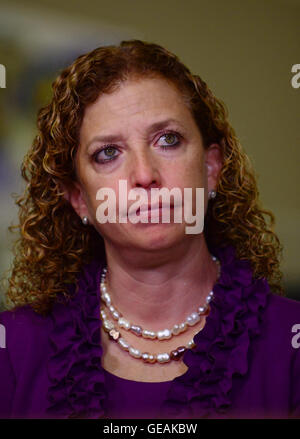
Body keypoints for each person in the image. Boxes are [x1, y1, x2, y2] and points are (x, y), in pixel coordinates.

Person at [0, 39, 299, 420]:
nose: (144, 175)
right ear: (78, 198)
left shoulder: (291, 344)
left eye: (167, 140)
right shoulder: (11, 351)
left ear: (211, 169)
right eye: (108, 153)